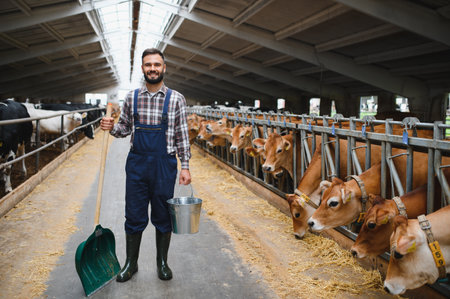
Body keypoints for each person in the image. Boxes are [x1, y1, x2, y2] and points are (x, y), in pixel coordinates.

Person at [100, 48, 191, 282]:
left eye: (157, 64)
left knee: (163, 215)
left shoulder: (176, 99)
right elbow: (124, 129)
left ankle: (162, 263)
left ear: (164, 67)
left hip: (165, 165)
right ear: (142, 68)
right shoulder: (132, 97)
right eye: (148, 65)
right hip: (138, 164)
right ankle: (131, 263)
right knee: (134, 214)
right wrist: (111, 127)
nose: (153, 68)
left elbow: (182, 135)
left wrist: (185, 166)